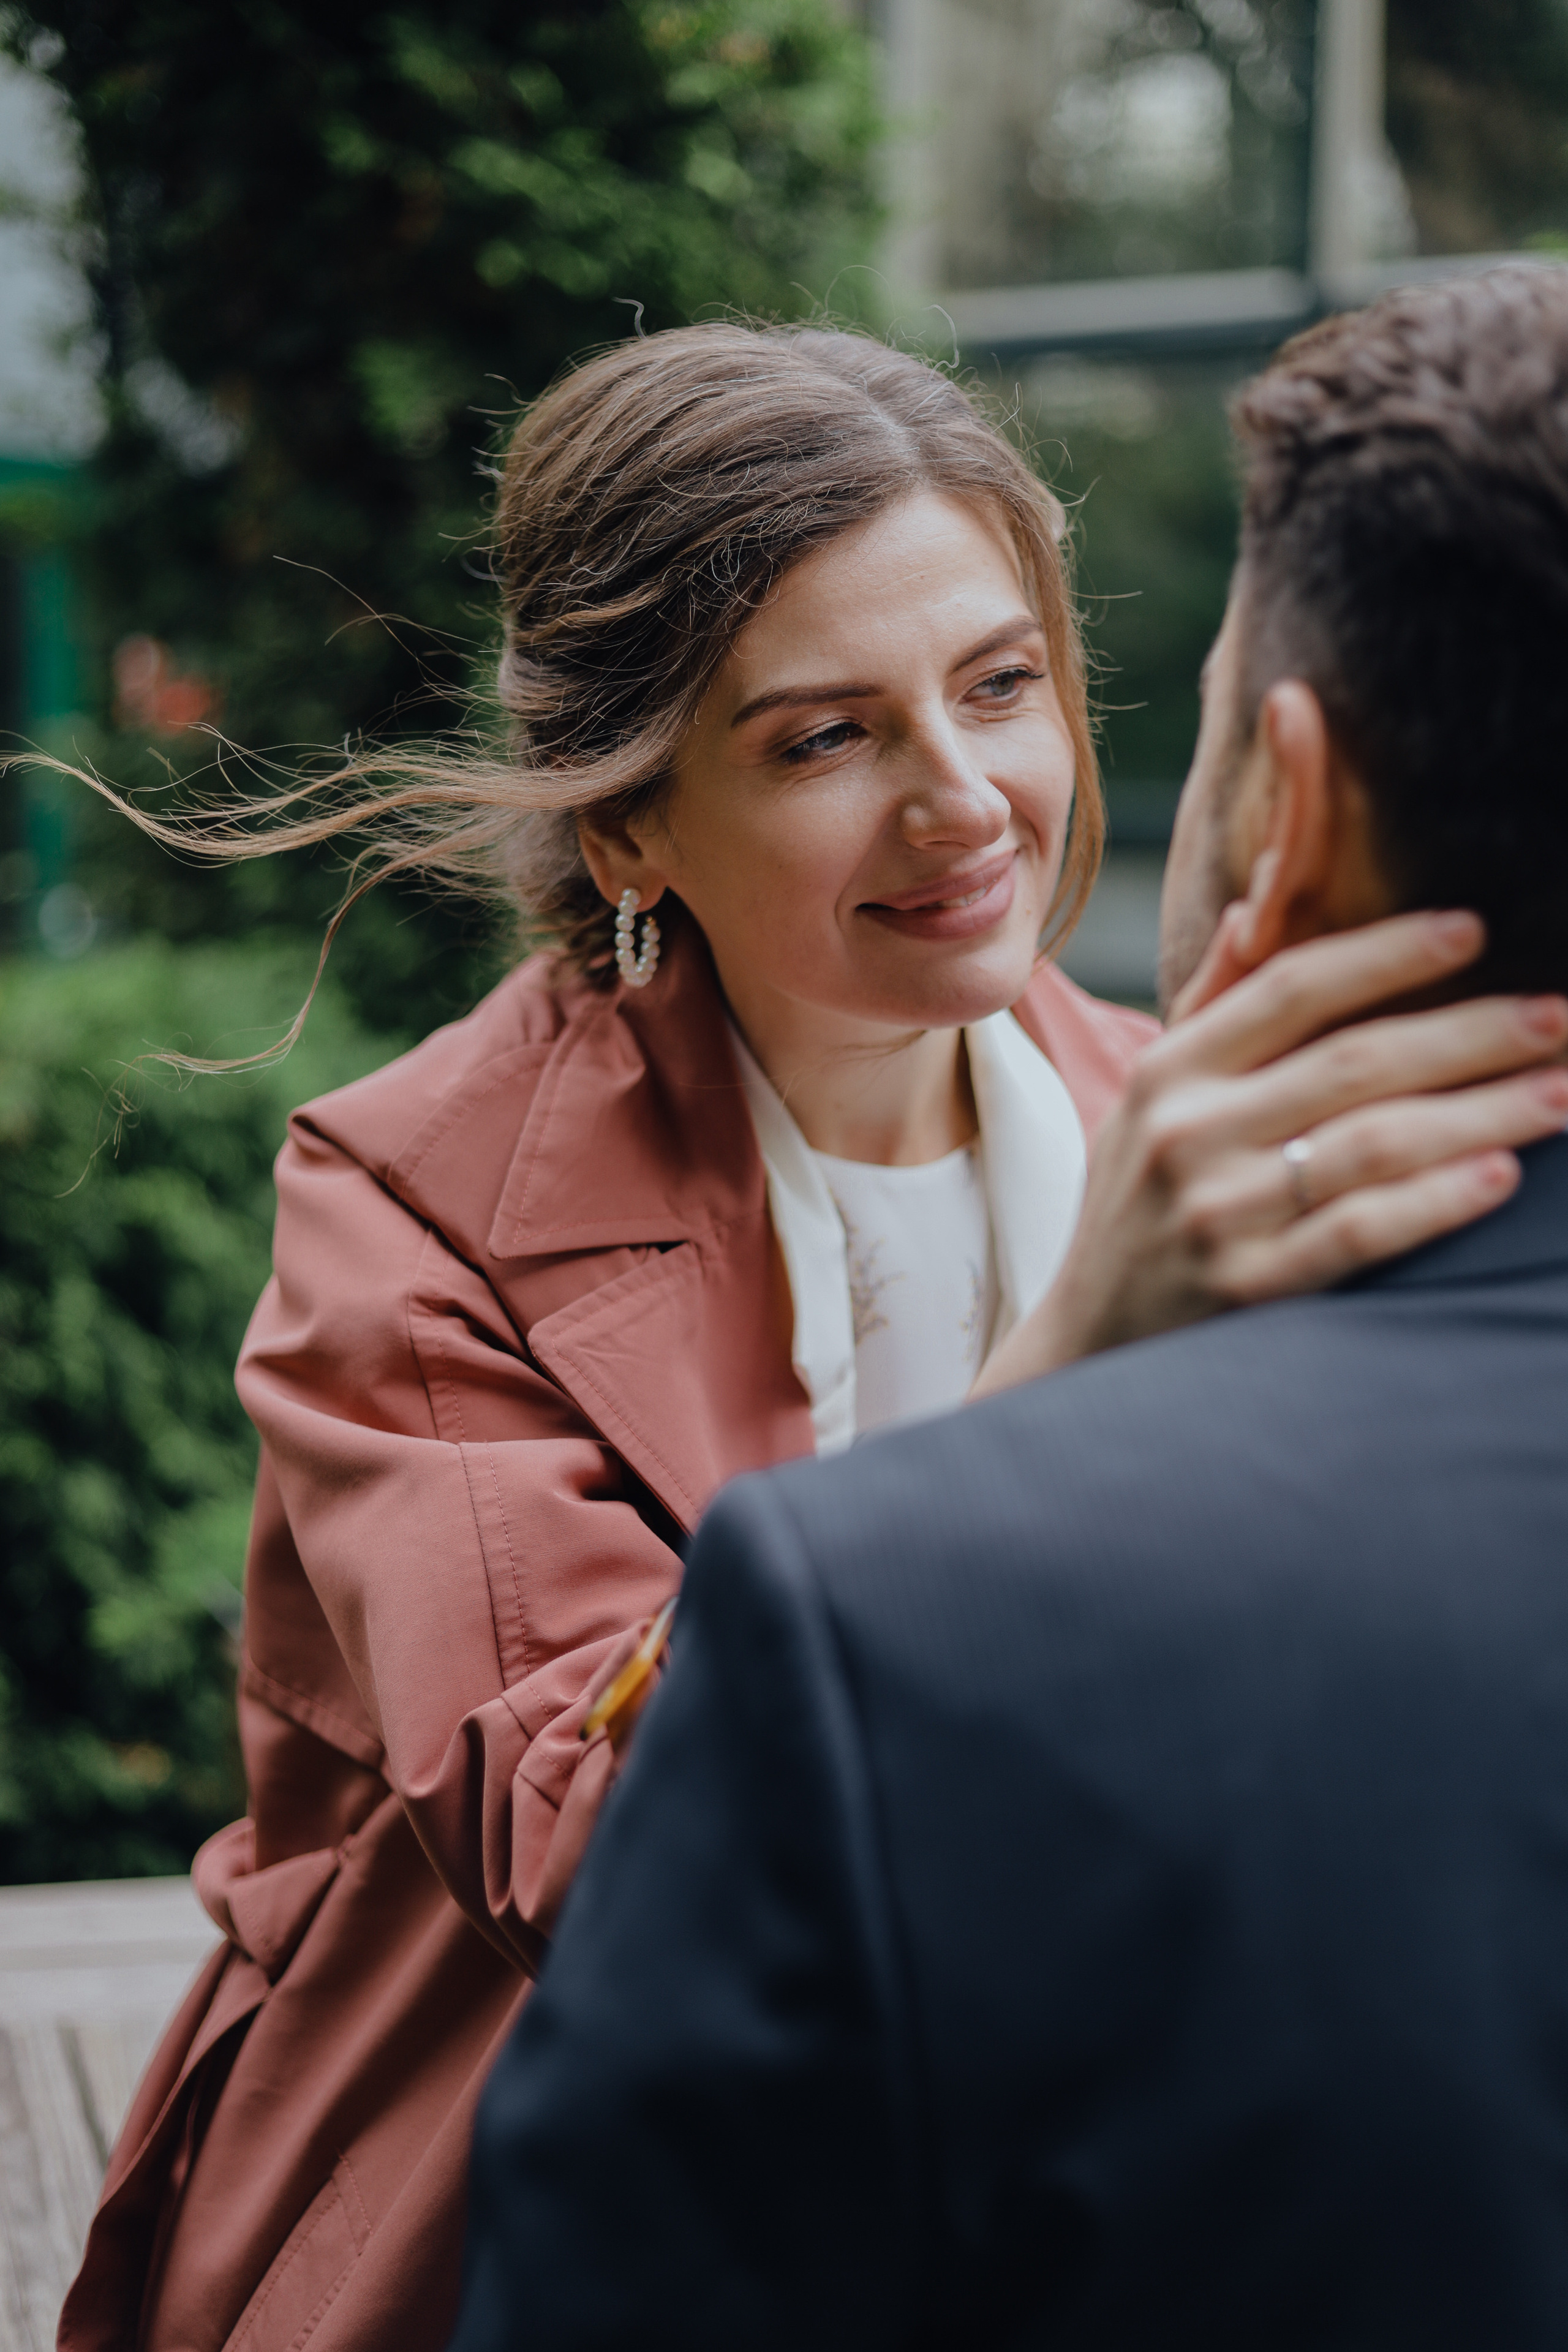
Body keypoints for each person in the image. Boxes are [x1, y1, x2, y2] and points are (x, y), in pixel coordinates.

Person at [57, 320, 1567, 2352]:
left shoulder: (1171, 1111)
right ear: (630, 828)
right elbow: (599, 1867)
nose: (968, 806)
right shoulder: (407, 1211)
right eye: (823, 739)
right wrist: (1081, 1351)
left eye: (1001, 686)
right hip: (517, 2214)